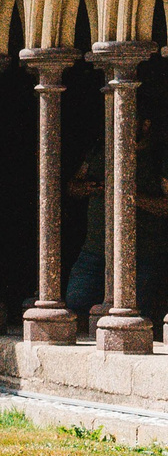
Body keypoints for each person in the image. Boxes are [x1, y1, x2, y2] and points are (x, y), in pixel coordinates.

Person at [64, 116, 168, 319]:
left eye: (128, 119)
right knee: (74, 310)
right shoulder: (101, 149)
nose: (119, 126)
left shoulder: (157, 157)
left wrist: (129, 196)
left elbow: (165, 206)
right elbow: (72, 186)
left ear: (145, 124)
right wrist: (88, 188)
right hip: (95, 250)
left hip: (140, 255)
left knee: (132, 319)